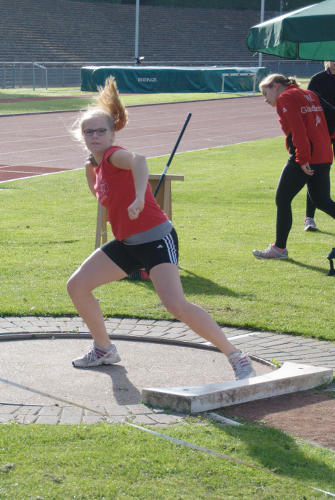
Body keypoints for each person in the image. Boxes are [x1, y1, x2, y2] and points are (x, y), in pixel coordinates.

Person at [67, 76, 255, 380]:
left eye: (101, 131)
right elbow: (105, 201)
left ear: (112, 133)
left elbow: (140, 161)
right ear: (82, 136)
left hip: (156, 238)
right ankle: (104, 349)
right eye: (89, 132)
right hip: (127, 244)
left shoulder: (115, 155)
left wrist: (140, 196)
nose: (95, 136)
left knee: (176, 304)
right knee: (77, 286)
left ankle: (236, 356)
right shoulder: (93, 168)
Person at [253, 73, 335, 260]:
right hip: (324, 153)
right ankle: (279, 248)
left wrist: (302, 159)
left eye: (265, 94)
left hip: (307, 155)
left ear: (275, 86)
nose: (265, 100)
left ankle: (279, 248)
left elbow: (298, 130)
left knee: (282, 199)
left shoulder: (285, 98)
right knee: (322, 201)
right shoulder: (308, 94)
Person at [304, 61, 335, 232]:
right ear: (327, 61)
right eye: (332, 59)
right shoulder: (317, 79)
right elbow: (309, 104)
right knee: (315, 174)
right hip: (321, 133)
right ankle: (309, 218)